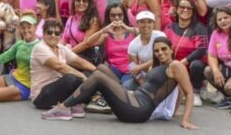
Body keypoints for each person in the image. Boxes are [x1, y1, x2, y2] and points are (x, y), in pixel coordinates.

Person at [40, 37, 198, 129]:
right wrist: (174, 111)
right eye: (156, 50)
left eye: (164, 49)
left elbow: (188, 92)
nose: (160, 53)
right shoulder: (159, 66)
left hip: (138, 109)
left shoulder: (176, 66)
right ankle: (77, 104)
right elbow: (178, 91)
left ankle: (64, 108)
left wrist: (185, 119)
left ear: (171, 49)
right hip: (133, 99)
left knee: (98, 78)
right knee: (102, 68)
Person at [30, 18, 96, 110]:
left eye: (57, 33)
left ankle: (95, 99)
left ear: (60, 35)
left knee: (89, 74)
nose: (53, 35)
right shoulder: (39, 47)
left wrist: (98, 72)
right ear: (44, 33)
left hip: (57, 90)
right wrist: (82, 76)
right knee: (71, 78)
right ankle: (88, 99)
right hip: (41, 96)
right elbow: (60, 67)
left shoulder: (61, 48)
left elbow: (82, 63)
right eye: (49, 32)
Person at [163, 0, 209, 108]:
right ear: (177, 9)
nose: (185, 10)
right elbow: (164, 46)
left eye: (189, 8)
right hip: (174, 64)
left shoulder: (199, 28)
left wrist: (183, 62)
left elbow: (201, 50)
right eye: (182, 7)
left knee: (196, 65)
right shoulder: (170, 27)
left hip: (191, 64)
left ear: (193, 11)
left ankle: (196, 92)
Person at [84, 3, 137, 87]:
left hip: (130, 69)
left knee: (126, 85)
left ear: (124, 16)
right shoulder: (106, 34)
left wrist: (128, 28)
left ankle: (119, 86)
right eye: (113, 15)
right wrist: (103, 30)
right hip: (114, 70)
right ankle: (118, 86)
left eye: (120, 15)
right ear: (108, 17)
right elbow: (88, 42)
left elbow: (146, 34)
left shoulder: (131, 32)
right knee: (101, 68)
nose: (117, 18)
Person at [205, 7, 231, 109]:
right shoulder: (216, 33)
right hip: (230, 69)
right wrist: (216, 70)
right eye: (219, 19)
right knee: (209, 71)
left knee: (229, 87)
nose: (223, 21)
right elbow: (211, 56)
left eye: (226, 17)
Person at [127, 11, 166, 83]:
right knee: (127, 85)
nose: (146, 25)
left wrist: (140, 67)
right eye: (142, 22)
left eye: (149, 22)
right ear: (137, 24)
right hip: (145, 77)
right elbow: (133, 67)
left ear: (153, 23)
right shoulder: (133, 44)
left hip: (164, 72)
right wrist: (144, 85)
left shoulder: (160, 36)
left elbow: (163, 56)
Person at [63, 0, 101, 64]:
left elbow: (86, 44)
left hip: (85, 56)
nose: (81, 3)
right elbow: (64, 40)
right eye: (78, 0)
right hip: (71, 53)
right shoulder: (71, 18)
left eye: (84, 1)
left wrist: (68, 54)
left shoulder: (93, 21)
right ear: (74, 2)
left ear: (89, 3)